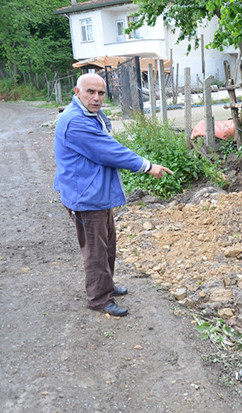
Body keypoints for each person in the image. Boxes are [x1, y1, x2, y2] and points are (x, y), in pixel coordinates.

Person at [54, 73, 173, 317]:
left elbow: (107, 141)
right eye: (90, 92)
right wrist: (147, 166)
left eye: (101, 93)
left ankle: (105, 285)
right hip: (86, 196)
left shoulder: (90, 114)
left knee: (107, 242)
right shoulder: (76, 122)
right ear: (77, 92)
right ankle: (98, 298)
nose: (97, 98)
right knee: (95, 250)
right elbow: (109, 151)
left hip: (96, 192)